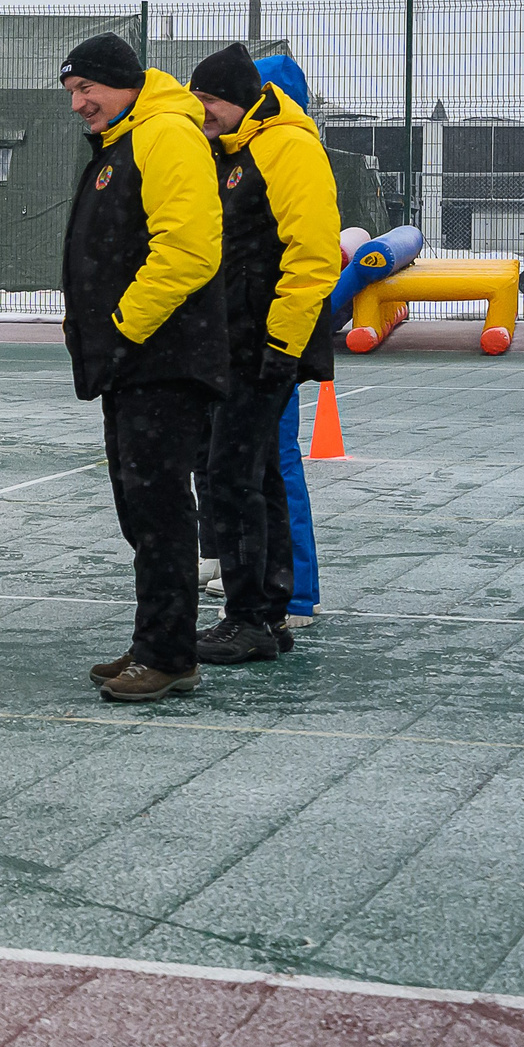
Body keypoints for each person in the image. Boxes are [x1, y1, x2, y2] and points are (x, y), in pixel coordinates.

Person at [60, 33, 227, 704]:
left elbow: (188, 250)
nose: (78, 104)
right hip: (133, 361)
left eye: (85, 89)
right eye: (72, 93)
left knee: (158, 508)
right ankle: (159, 636)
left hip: (161, 356)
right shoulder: (126, 138)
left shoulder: (166, 136)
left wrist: (122, 326)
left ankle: (167, 652)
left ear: (120, 81)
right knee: (141, 506)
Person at [185, 44, 337, 664]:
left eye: (211, 102)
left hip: (264, 343)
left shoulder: (288, 147)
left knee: (233, 475)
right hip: (237, 341)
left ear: (241, 97)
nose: (203, 114)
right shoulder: (231, 151)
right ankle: (268, 614)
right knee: (258, 474)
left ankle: (249, 616)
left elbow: (314, 253)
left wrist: (282, 342)